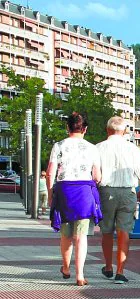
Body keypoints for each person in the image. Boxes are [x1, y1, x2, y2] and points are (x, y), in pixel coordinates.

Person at [47, 112, 102, 287]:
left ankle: (65, 267)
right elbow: (97, 176)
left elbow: (50, 173)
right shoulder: (92, 148)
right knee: (81, 236)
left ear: (67, 127)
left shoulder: (58, 146)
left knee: (66, 234)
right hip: (84, 192)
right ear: (85, 129)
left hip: (64, 191)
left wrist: (50, 195)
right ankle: (80, 275)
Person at [97, 116, 140, 284]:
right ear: (124, 131)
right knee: (123, 231)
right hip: (128, 193)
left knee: (106, 230)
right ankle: (120, 271)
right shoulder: (132, 149)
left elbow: (95, 175)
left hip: (106, 192)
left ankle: (108, 267)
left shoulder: (98, 148)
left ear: (108, 130)